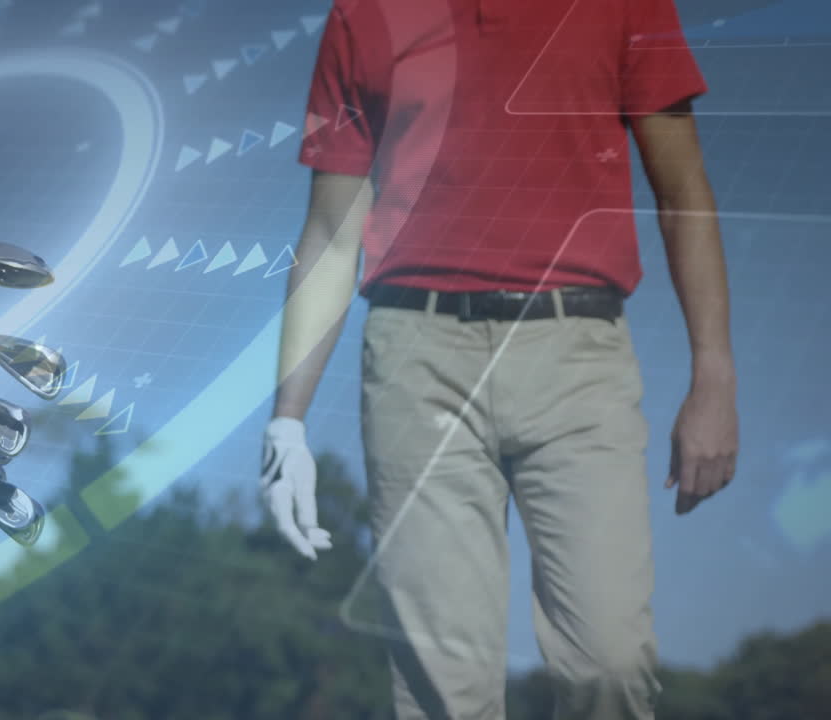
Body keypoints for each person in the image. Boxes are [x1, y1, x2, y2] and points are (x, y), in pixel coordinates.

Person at [259, 0, 739, 718]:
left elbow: (685, 191)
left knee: (609, 662)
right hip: (416, 361)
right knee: (442, 688)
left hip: (577, 357)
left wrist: (715, 375)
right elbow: (331, 228)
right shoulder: (363, 15)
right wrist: (287, 423)